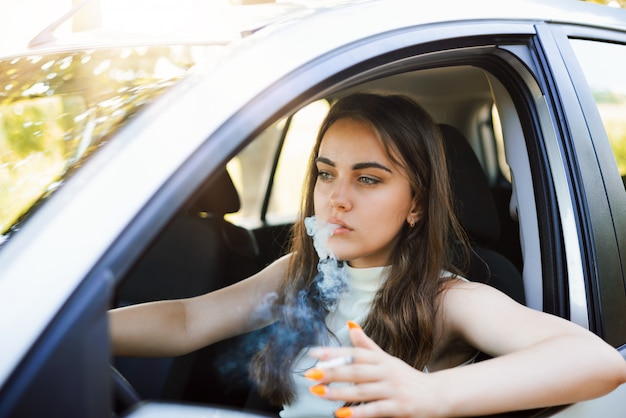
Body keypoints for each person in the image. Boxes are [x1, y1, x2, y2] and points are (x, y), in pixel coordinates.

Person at [110, 93, 626, 418]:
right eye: (326, 172)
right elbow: (185, 320)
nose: (337, 197)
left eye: (369, 178)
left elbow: (598, 362)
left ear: (416, 204)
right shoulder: (299, 273)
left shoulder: (447, 297)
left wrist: (431, 395)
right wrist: (69, 328)